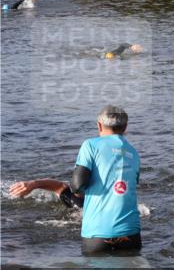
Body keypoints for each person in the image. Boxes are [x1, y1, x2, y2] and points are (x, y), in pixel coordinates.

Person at [72, 105, 142, 255]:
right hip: (130, 233)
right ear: (125, 127)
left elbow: (77, 185)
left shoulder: (90, 145)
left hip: (97, 234)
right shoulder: (134, 153)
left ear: (99, 125)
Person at [8, 179, 84, 210]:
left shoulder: (83, 207)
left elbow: (60, 187)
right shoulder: (82, 204)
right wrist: (33, 184)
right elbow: (60, 187)